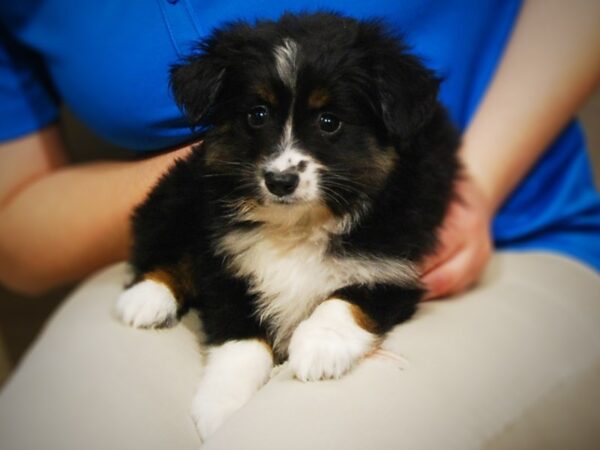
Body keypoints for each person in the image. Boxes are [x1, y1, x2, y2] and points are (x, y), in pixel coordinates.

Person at [0, 1, 599, 449]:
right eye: (259, 115)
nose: (286, 160)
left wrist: (480, 185)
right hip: (215, 226)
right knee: (61, 427)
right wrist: (208, 193)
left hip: (508, 231)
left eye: (327, 123)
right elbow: (15, 225)